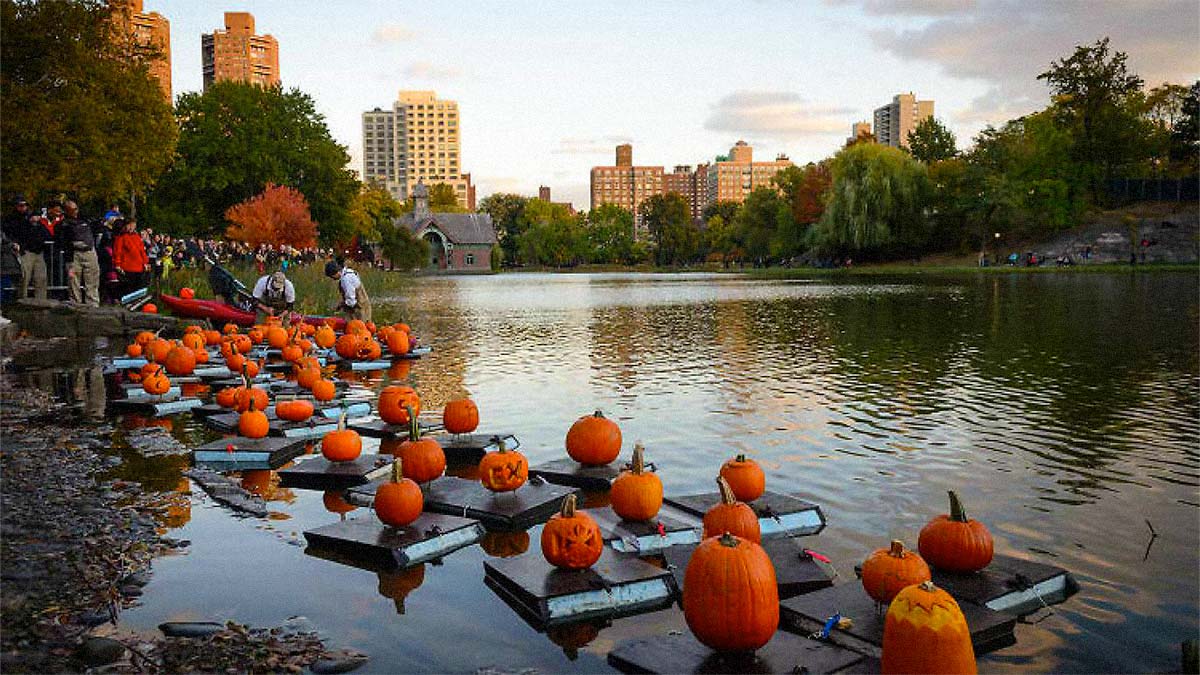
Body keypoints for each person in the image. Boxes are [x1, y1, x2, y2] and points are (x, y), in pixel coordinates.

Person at [2, 195, 50, 300]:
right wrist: (15, 244)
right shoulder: (11, 219)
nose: (23, 208)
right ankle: (22, 300)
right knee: (24, 279)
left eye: (25, 205)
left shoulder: (32, 218)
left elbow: (46, 234)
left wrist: (35, 224)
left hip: (38, 251)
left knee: (41, 278)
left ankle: (41, 301)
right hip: (25, 251)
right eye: (20, 205)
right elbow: (11, 234)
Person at [55, 200, 100, 306]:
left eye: (76, 209)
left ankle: (93, 303)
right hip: (73, 255)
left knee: (92, 279)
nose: (75, 212)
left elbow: (97, 227)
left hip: (89, 252)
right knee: (73, 280)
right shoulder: (63, 225)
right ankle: (76, 303)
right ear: (66, 211)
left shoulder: (86, 220)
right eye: (72, 210)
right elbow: (59, 239)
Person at [112, 218, 149, 299]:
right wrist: (117, 264)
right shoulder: (121, 237)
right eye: (130, 225)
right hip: (127, 267)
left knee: (137, 288)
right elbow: (117, 252)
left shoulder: (136, 237)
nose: (132, 227)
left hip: (139, 267)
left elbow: (142, 251)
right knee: (127, 289)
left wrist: (145, 262)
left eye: (133, 225)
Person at [325, 258, 371, 322]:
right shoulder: (349, 271)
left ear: (336, 272)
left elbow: (351, 300)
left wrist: (342, 305)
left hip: (358, 310)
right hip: (362, 305)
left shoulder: (346, 279)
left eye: (332, 276)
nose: (332, 279)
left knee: (359, 328)